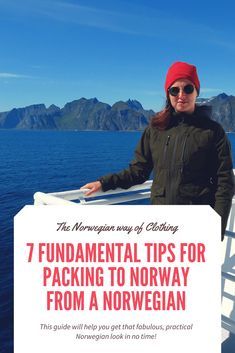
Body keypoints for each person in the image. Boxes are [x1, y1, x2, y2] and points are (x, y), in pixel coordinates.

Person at [81, 61, 234, 239]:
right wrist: (104, 183)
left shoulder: (212, 132)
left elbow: (225, 183)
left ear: (196, 91)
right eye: (174, 90)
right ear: (168, 94)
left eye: (188, 88)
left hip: (195, 226)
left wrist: (216, 229)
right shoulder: (155, 130)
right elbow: (138, 171)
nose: (181, 95)